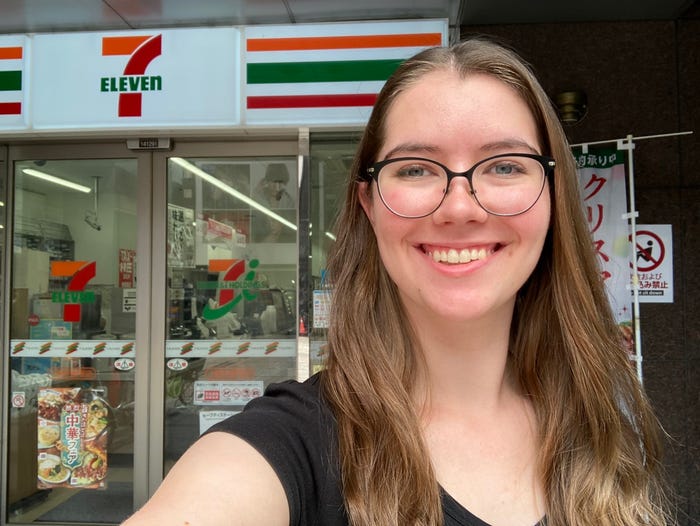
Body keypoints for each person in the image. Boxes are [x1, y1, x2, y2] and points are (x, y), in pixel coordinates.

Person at [123, 37, 671, 526]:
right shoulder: (294, 443)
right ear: (369, 204)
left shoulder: (602, 420)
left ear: (553, 195)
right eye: (415, 168)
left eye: (505, 165)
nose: (460, 207)